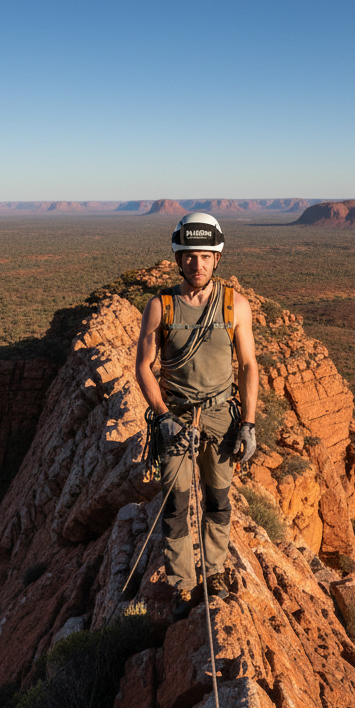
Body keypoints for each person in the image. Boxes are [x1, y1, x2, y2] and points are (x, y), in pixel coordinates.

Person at [135, 213, 259, 618]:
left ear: (217, 258)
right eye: (190, 256)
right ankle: (182, 584)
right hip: (176, 416)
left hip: (221, 415)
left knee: (218, 500)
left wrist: (249, 424)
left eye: (206, 257)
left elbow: (248, 366)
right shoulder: (160, 306)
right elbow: (143, 366)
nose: (198, 264)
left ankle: (215, 571)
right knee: (176, 503)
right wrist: (164, 416)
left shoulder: (235, 305)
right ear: (179, 258)